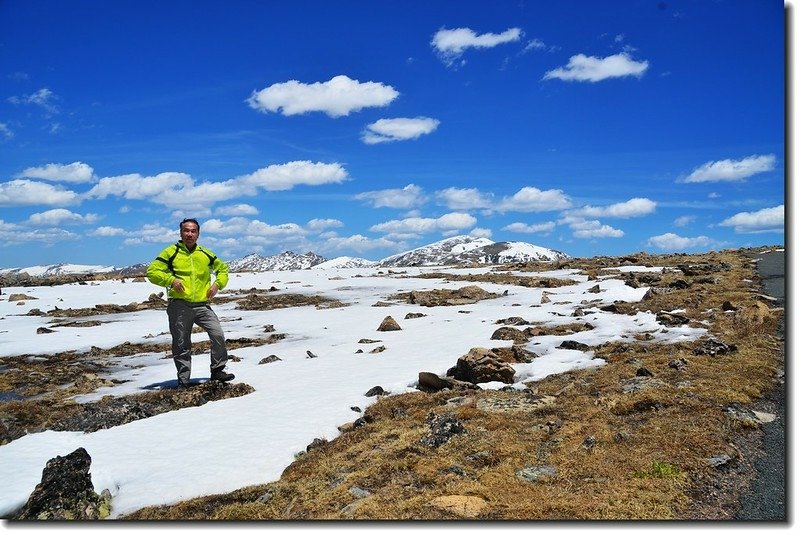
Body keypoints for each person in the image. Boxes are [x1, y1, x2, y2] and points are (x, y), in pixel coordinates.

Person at [147, 218, 234, 387]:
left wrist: (218, 285)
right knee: (181, 343)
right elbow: (152, 272)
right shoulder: (171, 252)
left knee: (218, 335)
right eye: (186, 230)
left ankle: (217, 371)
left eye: (193, 231)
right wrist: (171, 280)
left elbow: (222, 269)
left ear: (198, 234)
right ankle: (184, 381)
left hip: (202, 305)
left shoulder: (205, 254)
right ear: (181, 233)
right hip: (179, 305)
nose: (189, 234)